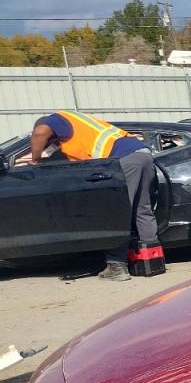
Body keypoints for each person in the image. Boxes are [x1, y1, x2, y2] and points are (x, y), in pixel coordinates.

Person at [28, 110, 157, 281]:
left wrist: (35, 159)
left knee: (118, 212)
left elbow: (40, 132)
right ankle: (153, 261)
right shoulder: (79, 130)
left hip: (123, 159)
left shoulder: (57, 119)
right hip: (142, 154)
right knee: (142, 209)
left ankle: (116, 266)